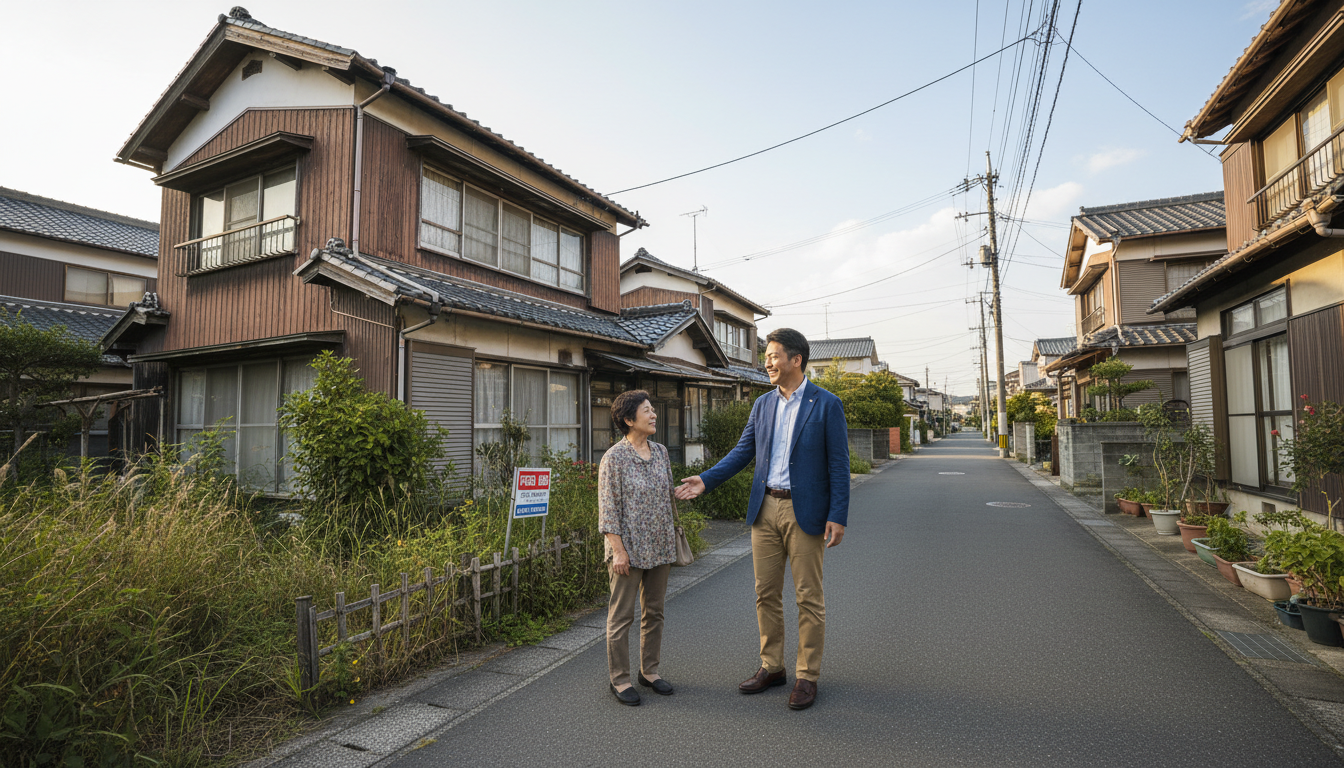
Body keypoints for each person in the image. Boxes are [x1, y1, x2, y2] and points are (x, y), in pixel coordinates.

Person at [675, 328, 849, 710]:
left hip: (806, 512)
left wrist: (838, 515)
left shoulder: (826, 404)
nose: (766, 363)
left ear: (795, 360)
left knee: (808, 597)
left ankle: (807, 675)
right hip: (765, 509)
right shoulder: (763, 405)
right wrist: (705, 479)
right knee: (765, 593)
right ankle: (772, 667)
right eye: (766, 357)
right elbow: (742, 451)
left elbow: (839, 463)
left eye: (772, 356)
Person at [598, 389, 678, 706]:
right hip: (627, 550)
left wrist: (683, 492)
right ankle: (620, 680)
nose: (654, 414)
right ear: (629, 419)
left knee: (654, 612)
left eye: (653, 409)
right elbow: (608, 510)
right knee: (621, 617)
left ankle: (650, 671)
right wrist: (618, 550)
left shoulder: (660, 452)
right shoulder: (614, 459)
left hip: (659, 545)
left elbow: (667, 494)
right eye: (647, 410)